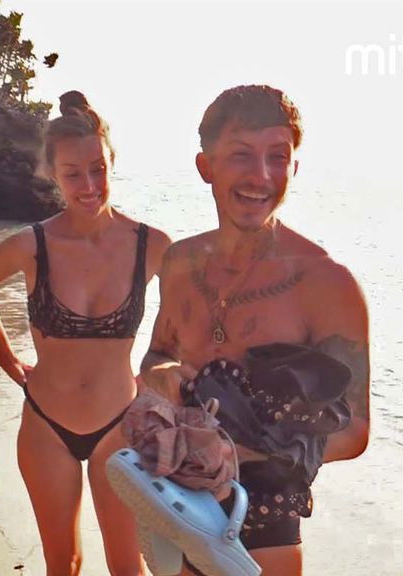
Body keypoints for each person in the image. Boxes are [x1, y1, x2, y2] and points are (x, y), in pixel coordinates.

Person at [139, 85, 371, 576]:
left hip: (264, 519)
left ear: (294, 167)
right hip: (174, 499)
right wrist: (162, 376)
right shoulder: (179, 263)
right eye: (241, 154)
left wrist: (240, 453)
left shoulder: (327, 283)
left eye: (277, 157)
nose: (261, 175)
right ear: (206, 166)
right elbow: (156, 355)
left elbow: (354, 431)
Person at [0, 91, 172, 576]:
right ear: (53, 174)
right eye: (73, 174)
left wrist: (157, 372)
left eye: (98, 169)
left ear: (112, 162)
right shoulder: (32, 244)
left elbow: (194, 310)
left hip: (119, 427)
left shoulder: (153, 245)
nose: (89, 185)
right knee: (65, 564)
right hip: (46, 427)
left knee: (128, 568)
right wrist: (8, 361)